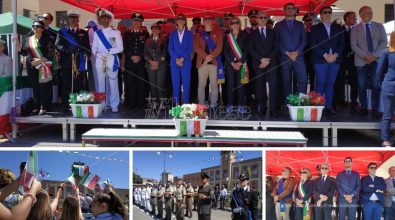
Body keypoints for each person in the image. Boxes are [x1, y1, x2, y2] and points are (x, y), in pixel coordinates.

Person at [351, 5, 387, 117]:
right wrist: (366, 56)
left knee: (376, 84)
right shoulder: (355, 29)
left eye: (371, 12)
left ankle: (375, 109)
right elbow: (354, 45)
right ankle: (364, 107)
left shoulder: (379, 26)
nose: (370, 14)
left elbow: (384, 42)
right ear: (361, 15)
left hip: (376, 60)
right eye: (368, 13)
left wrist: (374, 56)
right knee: (361, 85)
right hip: (361, 61)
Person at [310, 6, 345, 115]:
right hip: (320, 59)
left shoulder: (338, 27)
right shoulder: (315, 28)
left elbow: (342, 43)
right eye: (325, 12)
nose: (327, 14)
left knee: (330, 83)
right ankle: (319, 107)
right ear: (320, 15)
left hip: (335, 60)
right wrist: (325, 55)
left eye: (329, 12)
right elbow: (313, 44)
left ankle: (328, 106)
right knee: (320, 83)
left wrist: (335, 55)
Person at [55, 10, 90, 114]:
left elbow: (87, 47)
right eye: (71, 18)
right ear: (68, 20)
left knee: (79, 85)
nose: (73, 20)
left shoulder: (83, 33)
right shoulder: (62, 32)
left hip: (79, 63)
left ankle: (78, 108)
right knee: (66, 86)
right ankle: (66, 108)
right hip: (67, 61)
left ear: (78, 20)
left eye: (75, 18)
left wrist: (81, 50)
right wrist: (66, 50)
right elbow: (57, 45)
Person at [275, 2, 307, 104]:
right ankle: (288, 103)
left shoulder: (300, 24)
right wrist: (287, 53)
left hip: (298, 57)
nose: (290, 10)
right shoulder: (278, 25)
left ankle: (300, 102)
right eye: (288, 8)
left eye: (292, 8)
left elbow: (304, 40)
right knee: (286, 82)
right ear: (284, 11)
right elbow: (277, 41)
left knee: (303, 80)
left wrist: (297, 52)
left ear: (294, 10)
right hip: (284, 57)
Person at [92, 9, 123, 113]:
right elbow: (94, 48)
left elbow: (120, 48)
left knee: (113, 83)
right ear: (100, 19)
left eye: (106, 18)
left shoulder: (116, 32)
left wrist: (109, 51)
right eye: (102, 18)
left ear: (110, 20)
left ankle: (114, 105)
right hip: (100, 60)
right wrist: (97, 54)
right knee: (101, 83)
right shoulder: (97, 33)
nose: (104, 20)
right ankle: (102, 104)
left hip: (112, 59)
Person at [249, 10, 279, 117]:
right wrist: (262, 59)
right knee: (260, 86)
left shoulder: (273, 32)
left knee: (273, 86)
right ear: (256, 19)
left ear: (267, 19)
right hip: (258, 63)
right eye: (260, 17)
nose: (262, 19)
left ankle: (273, 109)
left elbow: (276, 48)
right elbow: (251, 49)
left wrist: (267, 59)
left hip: (271, 63)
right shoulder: (252, 34)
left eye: (264, 18)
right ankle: (262, 107)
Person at [21, 20, 54, 115]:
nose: (35, 27)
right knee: (35, 86)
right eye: (33, 26)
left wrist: (40, 60)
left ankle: (43, 106)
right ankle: (36, 105)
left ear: (42, 29)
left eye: (37, 26)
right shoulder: (28, 39)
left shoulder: (47, 39)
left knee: (44, 86)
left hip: (44, 65)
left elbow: (51, 53)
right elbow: (24, 52)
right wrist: (19, 47)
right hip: (31, 66)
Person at [194, 15, 223, 109]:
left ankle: (213, 104)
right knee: (201, 85)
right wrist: (205, 57)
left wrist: (210, 57)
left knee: (214, 85)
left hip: (214, 63)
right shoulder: (199, 34)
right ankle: (201, 104)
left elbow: (219, 47)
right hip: (202, 63)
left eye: (209, 19)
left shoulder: (218, 33)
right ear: (203, 21)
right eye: (205, 19)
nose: (207, 21)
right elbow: (196, 47)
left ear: (212, 21)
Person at [122, 13, 150, 110]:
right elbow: (125, 48)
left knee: (141, 83)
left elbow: (147, 48)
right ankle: (130, 103)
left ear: (141, 23)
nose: (136, 22)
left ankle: (141, 103)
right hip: (130, 62)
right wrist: (132, 56)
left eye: (138, 21)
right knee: (130, 83)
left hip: (141, 63)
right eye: (135, 20)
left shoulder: (145, 34)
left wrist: (140, 57)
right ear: (132, 22)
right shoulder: (127, 33)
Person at [334, 11, 359, 112]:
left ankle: (353, 103)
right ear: (347, 19)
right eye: (354, 18)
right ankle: (337, 102)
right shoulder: (339, 29)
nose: (355, 20)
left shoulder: (357, 30)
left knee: (354, 82)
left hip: (354, 59)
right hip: (342, 58)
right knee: (340, 81)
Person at [223, 16, 249, 112]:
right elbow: (225, 51)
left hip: (241, 64)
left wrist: (240, 62)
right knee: (230, 85)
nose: (235, 24)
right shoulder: (227, 37)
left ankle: (241, 105)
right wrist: (231, 63)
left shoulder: (245, 36)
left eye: (237, 22)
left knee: (241, 85)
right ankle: (230, 105)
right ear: (230, 25)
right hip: (230, 65)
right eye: (233, 23)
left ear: (240, 24)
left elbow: (246, 51)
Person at [375, 31, 395, 147]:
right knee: (387, 115)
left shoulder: (385, 53)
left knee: (387, 115)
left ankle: (385, 140)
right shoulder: (386, 53)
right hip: (389, 86)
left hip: (388, 86)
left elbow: (379, 72)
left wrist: (381, 83)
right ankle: (386, 139)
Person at [168, 13, 193, 104]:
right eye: (178, 18)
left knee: (186, 85)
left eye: (182, 18)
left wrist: (182, 58)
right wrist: (176, 59)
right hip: (174, 63)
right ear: (176, 21)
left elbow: (190, 48)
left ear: (185, 21)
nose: (180, 20)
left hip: (185, 62)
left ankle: (186, 106)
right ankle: (176, 106)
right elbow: (170, 48)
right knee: (175, 85)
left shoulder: (189, 33)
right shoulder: (172, 34)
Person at [144, 23, 168, 107]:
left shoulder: (164, 40)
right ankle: (155, 102)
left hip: (161, 65)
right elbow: (145, 53)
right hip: (150, 65)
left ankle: (161, 102)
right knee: (152, 84)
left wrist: (157, 62)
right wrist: (150, 61)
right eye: (153, 28)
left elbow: (164, 53)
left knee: (160, 83)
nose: (154, 30)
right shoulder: (147, 40)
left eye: (156, 28)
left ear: (159, 30)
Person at [302, 13, 315, 92]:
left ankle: (313, 96)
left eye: (311, 20)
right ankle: (303, 96)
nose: (310, 22)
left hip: (313, 58)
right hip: (304, 59)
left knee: (314, 79)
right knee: (304, 79)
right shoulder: (302, 32)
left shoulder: (315, 31)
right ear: (304, 22)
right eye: (307, 20)